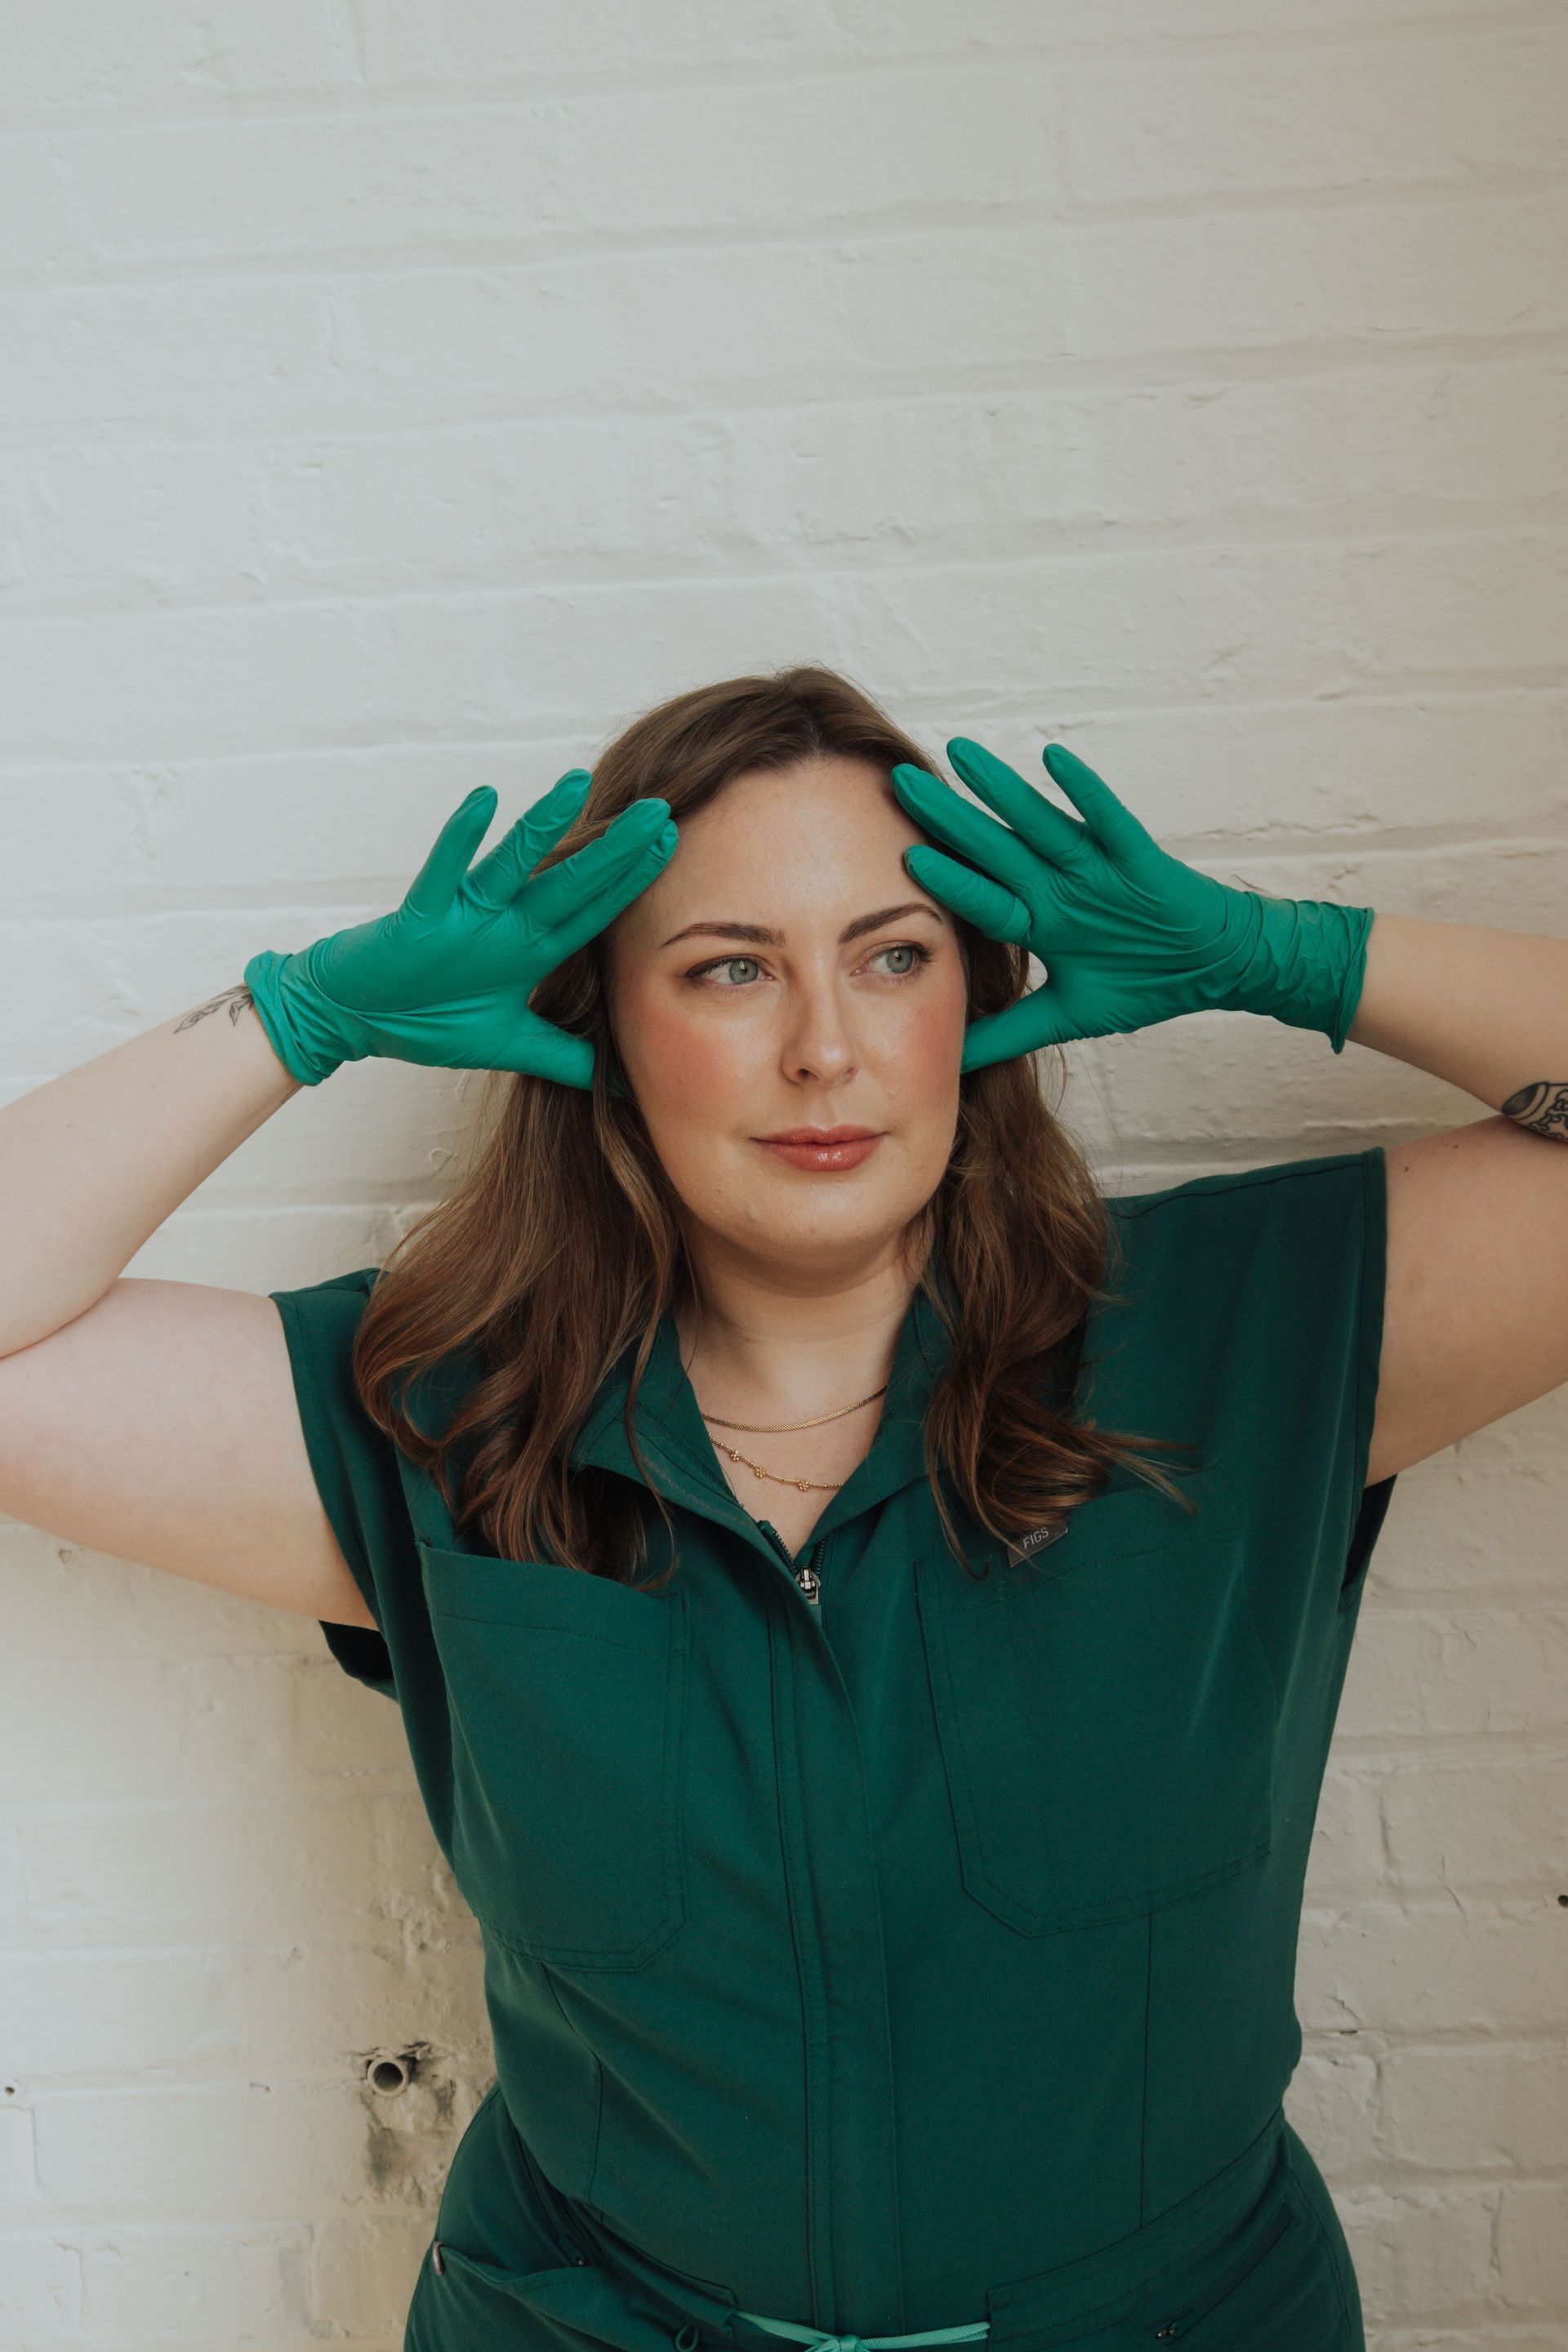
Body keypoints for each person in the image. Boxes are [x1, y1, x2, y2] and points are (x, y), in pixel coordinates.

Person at [2, 665, 1564, 2352]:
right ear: (596, 1018)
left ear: (974, 997)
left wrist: (1284, 956)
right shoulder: (438, 1417)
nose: (824, 1047)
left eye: (893, 957)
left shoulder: (1245, 1328)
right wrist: (298, 1013)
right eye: (730, 967)